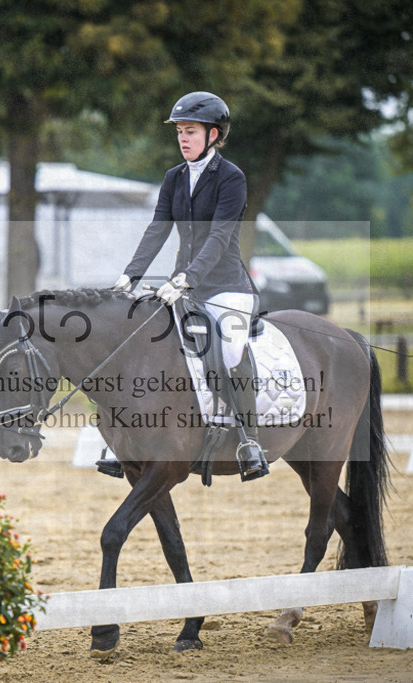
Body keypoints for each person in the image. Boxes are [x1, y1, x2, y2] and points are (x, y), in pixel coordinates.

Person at [111, 91, 267, 481]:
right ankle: (126, 441)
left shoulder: (232, 178)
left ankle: (249, 440)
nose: (183, 138)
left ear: (213, 134)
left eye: (191, 131)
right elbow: (158, 228)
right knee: (146, 344)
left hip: (226, 286)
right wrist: (130, 274)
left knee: (230, 349)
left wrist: (186, 278)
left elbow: (218, 237)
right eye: (179, 131)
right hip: (185, 285)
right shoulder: (174, 178)